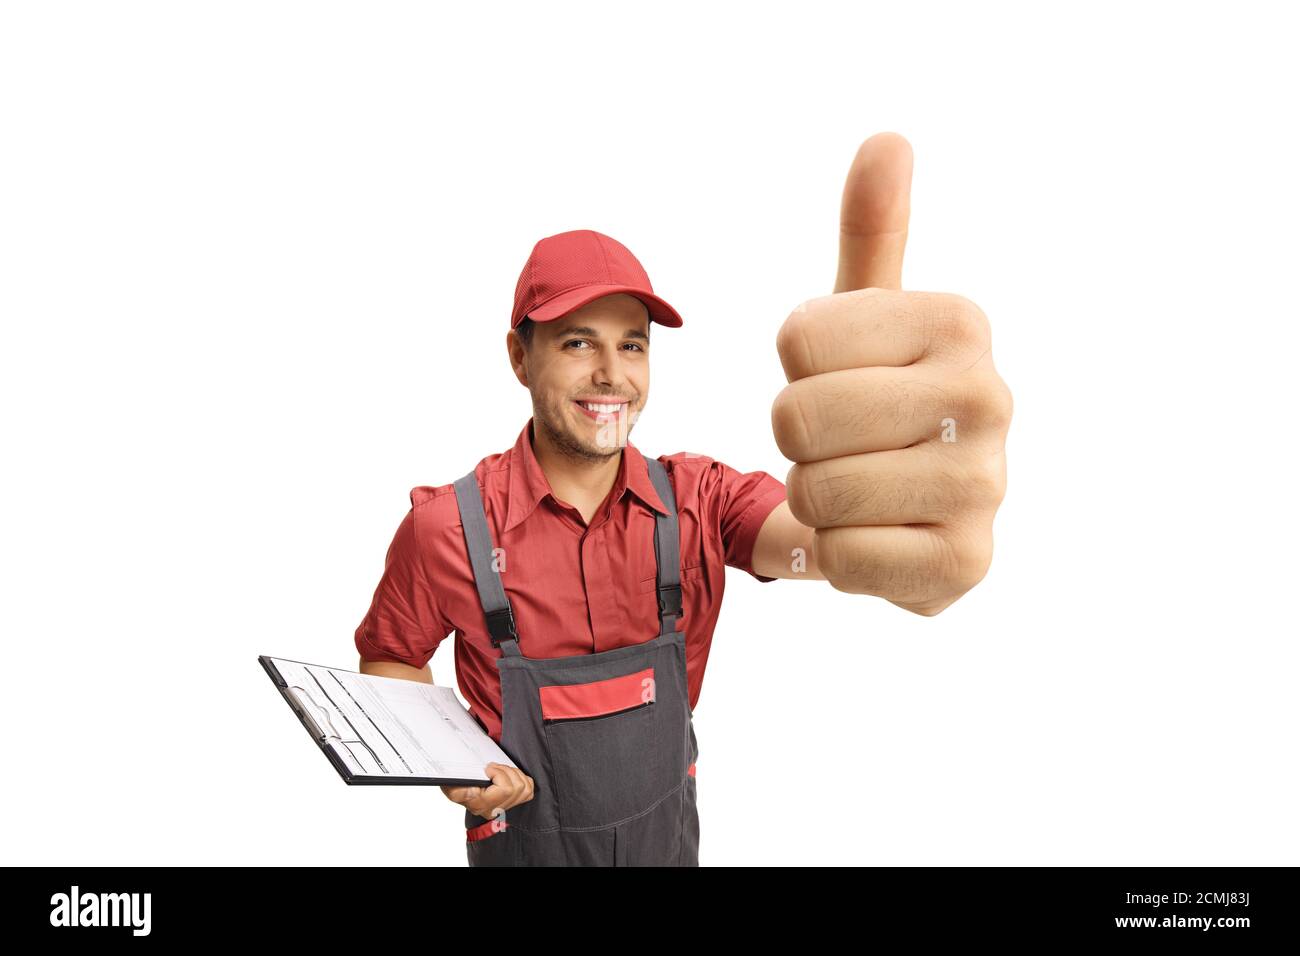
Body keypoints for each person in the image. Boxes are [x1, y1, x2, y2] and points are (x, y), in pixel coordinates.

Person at [353, 132, 1013, 866]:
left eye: (632, 345)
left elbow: (819, 540)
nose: (612, 374)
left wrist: (895, 511)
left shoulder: (699, 502)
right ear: (519, 356)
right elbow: (389, 657)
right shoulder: (448, 528)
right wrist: (459, 764)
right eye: (578, 343)